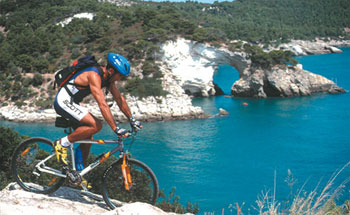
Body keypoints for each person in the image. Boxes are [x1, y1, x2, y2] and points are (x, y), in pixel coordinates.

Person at [53, 53, 142, 168]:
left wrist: (132, 119)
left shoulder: (108, 79)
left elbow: (120, 99)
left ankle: (77, 174)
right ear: (111, 70)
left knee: (88, 139)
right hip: (64, 101)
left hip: (72, 103)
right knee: (96, 125)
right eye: (120, 76)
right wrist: (115, 128)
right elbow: (102, 104)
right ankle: (61, 144)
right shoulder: (93, 75)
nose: (120, 79)